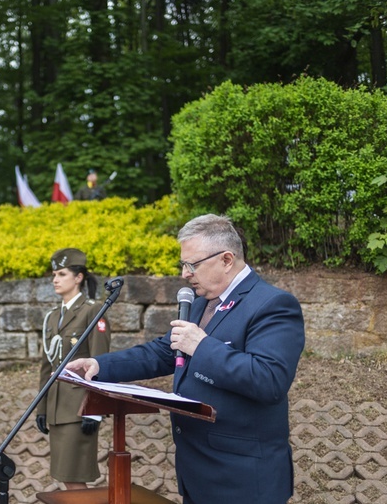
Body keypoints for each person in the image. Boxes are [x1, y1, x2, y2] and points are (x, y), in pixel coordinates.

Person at [66, 214, 305, 504]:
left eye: (192, 264)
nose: (185, 274)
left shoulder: (272, 304)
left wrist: (202, 346)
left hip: (243, 477)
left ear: (227, 260)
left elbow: (269, 380)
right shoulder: (201, 301)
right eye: (183, 264)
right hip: (196, 470)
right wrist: (102, 365)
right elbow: (164, 351)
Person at [35, 248, 111, 491]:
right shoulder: (52, 316)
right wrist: (42, 407)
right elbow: (47, 365)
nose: (55, 279)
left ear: (78, 277)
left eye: (62, 274)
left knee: (74, 478)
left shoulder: (92, 311)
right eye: (54, 274)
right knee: (65, 476)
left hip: (79, 407)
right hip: (58, 407)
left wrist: (94, 411)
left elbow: (100, 361)